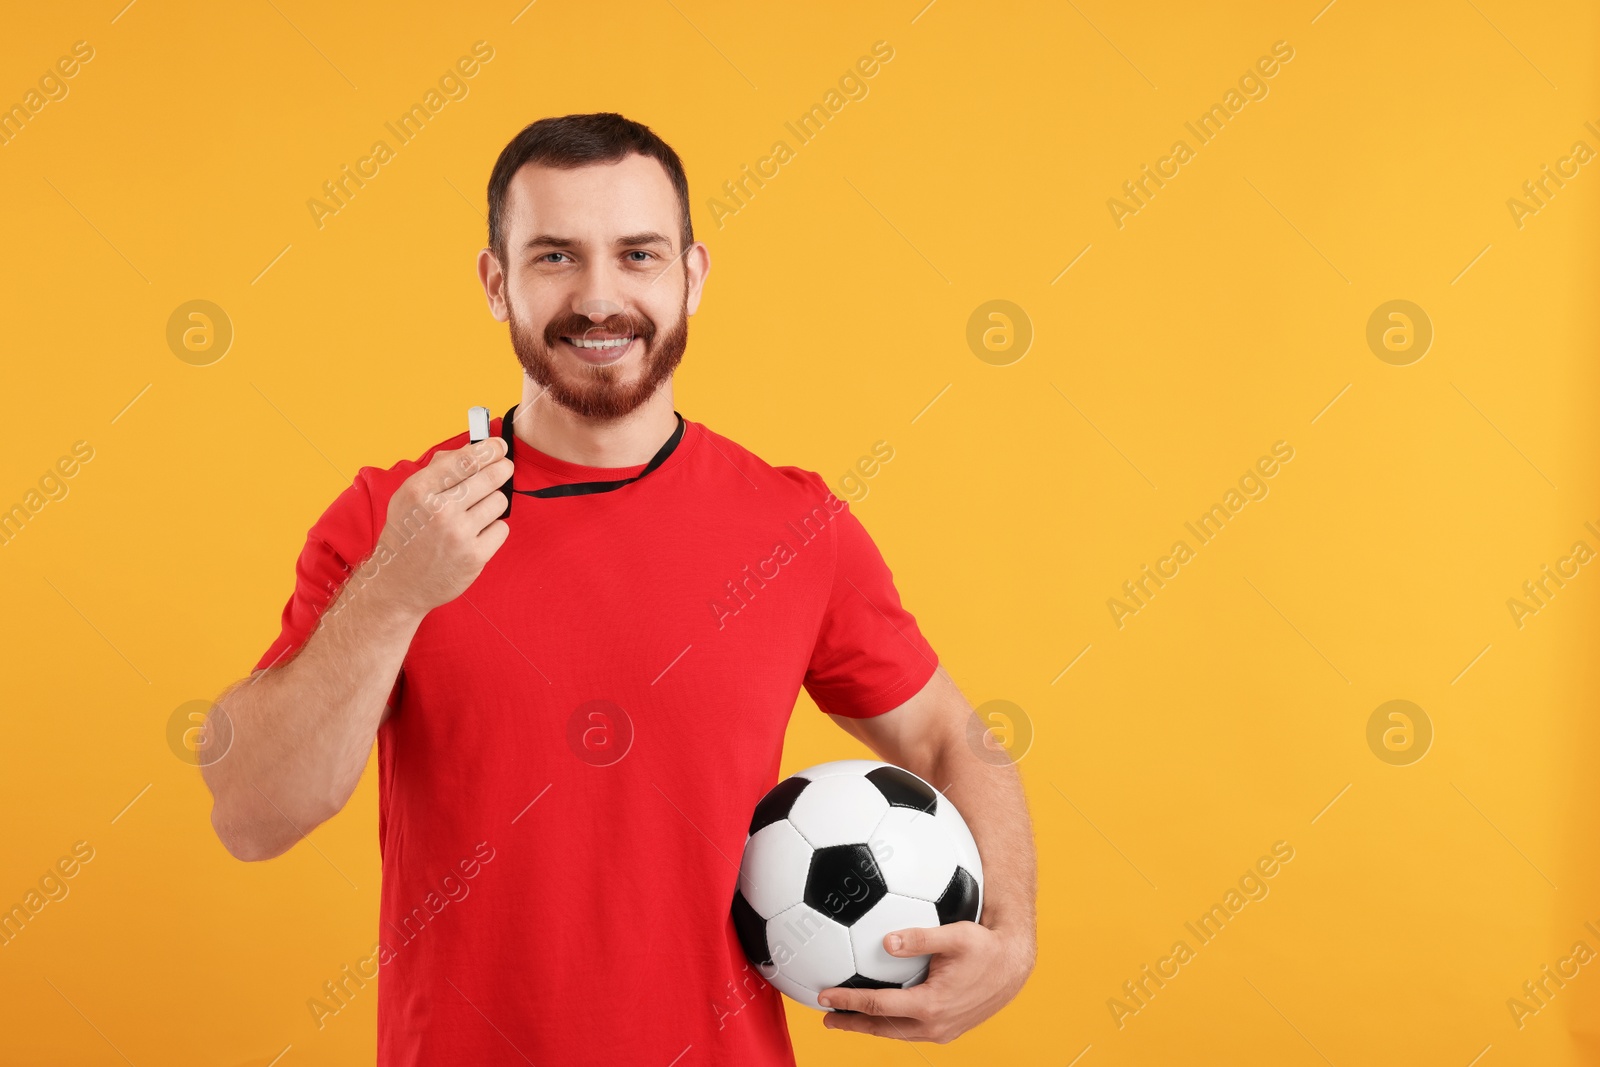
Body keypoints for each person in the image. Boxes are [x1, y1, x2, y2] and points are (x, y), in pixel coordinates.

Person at [200, 112, 1036, 1065]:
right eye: (555, 256)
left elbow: (944, 735)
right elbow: (252, 813)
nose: (600, 298)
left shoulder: (795, 527)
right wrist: (395, 592)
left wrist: (1008, 936)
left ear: (693, 275)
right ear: (495, 281)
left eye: (638, 254)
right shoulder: (396, 520)